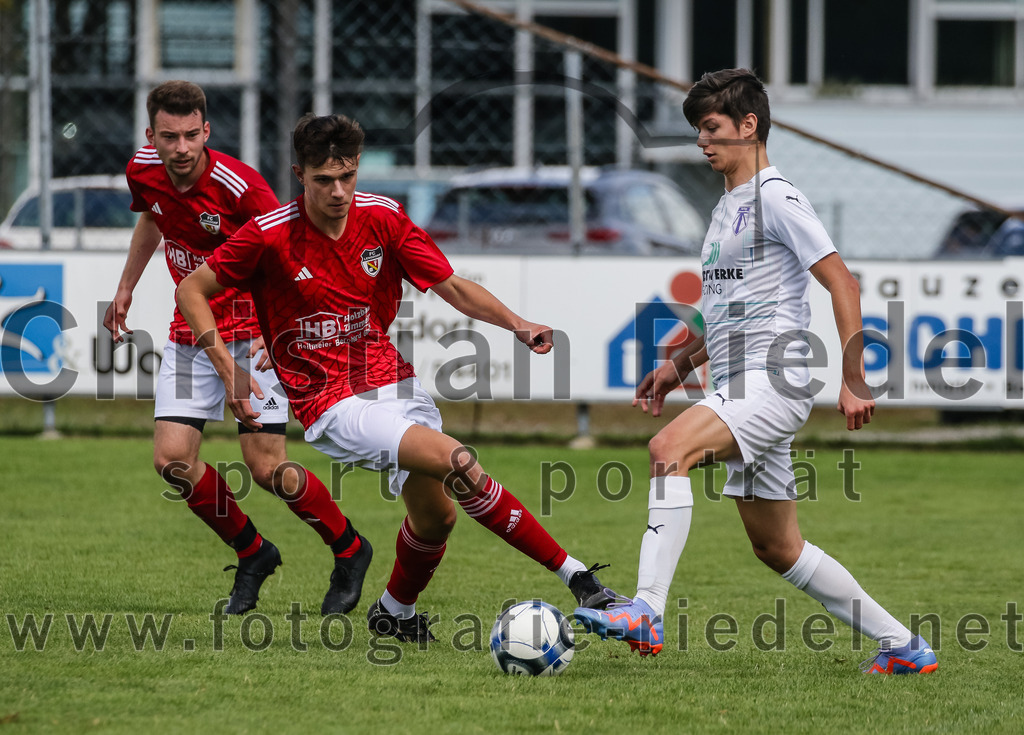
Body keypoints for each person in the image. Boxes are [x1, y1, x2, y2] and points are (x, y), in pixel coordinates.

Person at [175, 112, 619, 643]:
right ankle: (579, 578)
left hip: (393, 380)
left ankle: (393, 613)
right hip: (332, 401)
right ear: (299, 175)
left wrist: (518, 324)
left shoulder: (383, 217)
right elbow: (190, 291)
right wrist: (230, 370)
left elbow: (451, 285)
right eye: (322, 181)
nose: (337, 191)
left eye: (346, 177)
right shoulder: (269, 236)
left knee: (436, 520)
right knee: (458, 460)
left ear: (357, 168)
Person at [573, 69, 937, 675]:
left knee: (668, 449)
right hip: (737, 382)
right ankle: (904, 646)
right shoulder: (726, 208)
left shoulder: (776, 196)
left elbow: (840, 281)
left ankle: (645, 609)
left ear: (749, 126)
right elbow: (724, 308)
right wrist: (677, 364)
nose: (701, 142)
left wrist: (854, 377)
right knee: (778, 546)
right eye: (697, 130)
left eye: (712, 128)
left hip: (776, 377)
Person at [104, 81, 371, 617]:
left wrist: (284, 328)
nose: (179, 148)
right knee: (172, 462)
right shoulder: (142, 168)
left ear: (207, 132)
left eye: (190, 136)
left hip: (254, 334)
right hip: (192, 330)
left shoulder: (241, 187)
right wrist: (127, 285)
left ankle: (349, 548)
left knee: (268, 468)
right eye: (168, 136)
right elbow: (153, 218)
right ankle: (254, 553)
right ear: (150, 134)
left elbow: (292, 247)